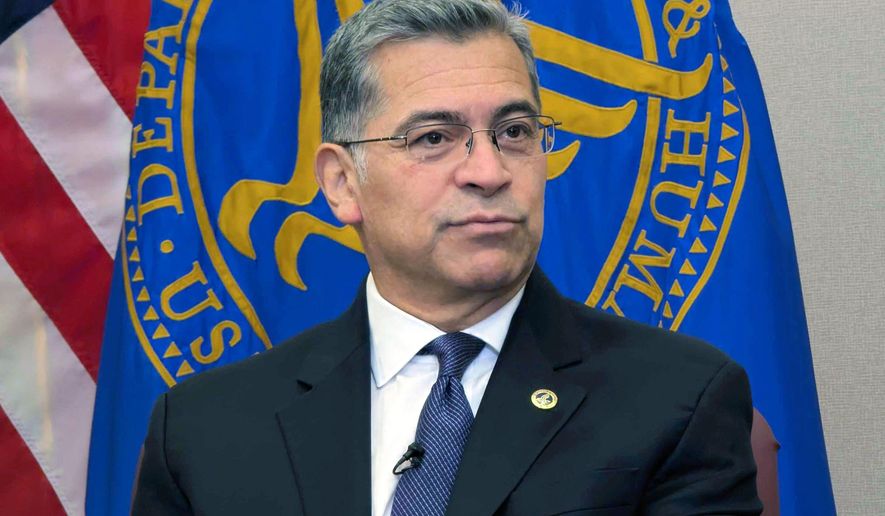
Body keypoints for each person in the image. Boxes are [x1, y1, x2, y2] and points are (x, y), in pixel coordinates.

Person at [131, 1, 762, 514]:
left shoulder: (678, 403)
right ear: (342, 183)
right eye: (433, 138)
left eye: (515, 132)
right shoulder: (202, 430)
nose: (489, 171)